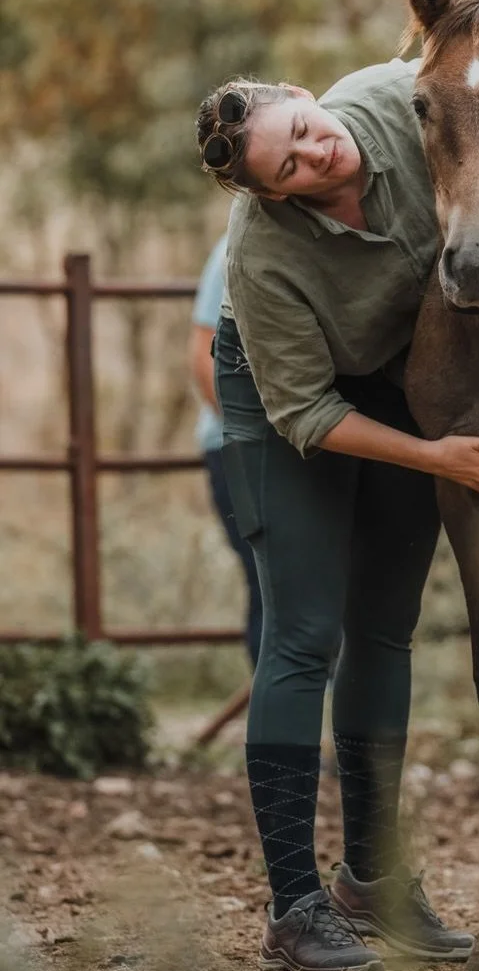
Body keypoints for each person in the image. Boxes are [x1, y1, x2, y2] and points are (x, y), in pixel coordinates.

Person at [196, 57, 479, 971]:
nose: (314, 153)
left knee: (386, 630)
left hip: (403, 377)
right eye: (286, 168)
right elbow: (306, 412)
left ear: (305, 96)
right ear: (270, 196)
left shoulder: (386, 95)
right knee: (302, 637)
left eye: (303, 128)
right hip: (286, 404)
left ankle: (373, 881)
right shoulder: (262, 254)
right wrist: (433, 457)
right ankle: (294, 906)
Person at [189, 235, 263, 669]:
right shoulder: (235, 247)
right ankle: (286, 724)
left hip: (310, 443)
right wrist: (250, 432)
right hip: (238, 445)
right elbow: (203, 355)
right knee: (270, 582)